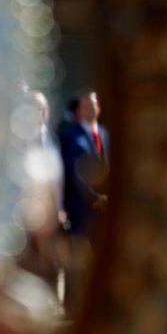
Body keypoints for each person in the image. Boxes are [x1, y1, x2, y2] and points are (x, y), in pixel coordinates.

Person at [58, 89, 109, 235]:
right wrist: (95, 197)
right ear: (78, 110)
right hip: (81, 208)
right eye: (86, 106)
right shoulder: (69, 136)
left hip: (104, 211)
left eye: (94, 105)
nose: (91, 109)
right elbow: (74, 172)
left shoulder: (105, 134)